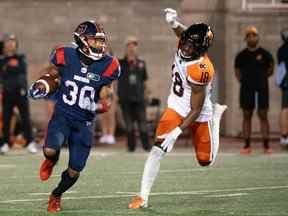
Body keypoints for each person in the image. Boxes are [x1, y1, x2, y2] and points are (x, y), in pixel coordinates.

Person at [128, 8, 227, 209]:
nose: (186, 47)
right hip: (176, 106)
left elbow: (196, 109)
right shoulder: (187, 42)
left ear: (201, 49)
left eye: (192, 45)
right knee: (158, 148)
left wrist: (177, 132)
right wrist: (173, 22)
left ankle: (216, 117)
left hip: (198, 113)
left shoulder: (201, 69)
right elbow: (183, 32)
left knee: (205, 160)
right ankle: (143, 196)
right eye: (186, 41)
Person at [28, 20, 120, 212]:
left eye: (101, 41)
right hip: (63, 114)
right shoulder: (65, 55)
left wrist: (103, 102)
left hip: (84, 122)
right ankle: (51, 161)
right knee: (50, 150)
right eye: (96, 40)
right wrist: (42, 85)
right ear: (83, 40)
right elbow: (53, 74)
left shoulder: (108, 64)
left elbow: (106, 91)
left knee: (75, 170)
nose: (100, 44)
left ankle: (56, 194)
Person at [235, 26, 274, 154]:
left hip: (262, 88)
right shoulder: (241, 56)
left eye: (254, 35)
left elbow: (270, 69)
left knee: (263, 114)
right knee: (247, 115)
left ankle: (266, 145)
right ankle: (247, 145)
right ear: (246, 39)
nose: (252, 38)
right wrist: (245, 81)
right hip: (246, 89)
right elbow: (237, 72)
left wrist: (261, 79)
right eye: (249, 35)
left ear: (258, 37)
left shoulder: (265, 54)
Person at [0, 34, 38, 154]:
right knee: (6, 118)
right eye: (8, 41)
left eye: (13, 41)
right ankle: (5, 143)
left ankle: (30, 142)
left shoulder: (21, 57)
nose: (11, 44)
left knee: (25, 117)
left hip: (21, 92)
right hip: (7, 92)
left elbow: (20, 71)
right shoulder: (2, 59)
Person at [117, 36, 151, 152]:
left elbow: (145, 80)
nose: (132, 48)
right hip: (125, 98)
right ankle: (131, 148)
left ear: (137, 48)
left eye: (134, 45)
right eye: (129, 45)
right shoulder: (120, 63)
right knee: (129, 125)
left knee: (143, 125)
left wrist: (147, 94)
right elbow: (114, 79)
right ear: (126, 47)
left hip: (139, 98)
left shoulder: (141, 63)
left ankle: (147, 147)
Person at [277, 28, 288, 147]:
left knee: (285, 108)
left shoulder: (281, 50)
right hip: (286, 82)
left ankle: (284, 136)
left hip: (285, 83)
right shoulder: (283, 50)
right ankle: (284, 135)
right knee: (285, 109)